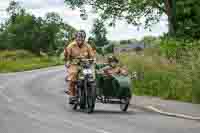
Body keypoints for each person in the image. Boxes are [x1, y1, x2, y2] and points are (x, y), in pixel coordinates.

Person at [64, 30, 95, 104]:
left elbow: (92, 55)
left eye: (82, 37)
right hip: (74, 64)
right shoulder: (71, 45)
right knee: (73, 76)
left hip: (85, 64)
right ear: (75, 38)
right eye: (78, 37)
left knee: (91, 75)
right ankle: (72, 96)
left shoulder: (87, 46)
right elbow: (66, 56)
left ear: (84, 38)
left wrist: (93, 59)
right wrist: (67, 61)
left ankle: (91, 91)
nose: (80, 39)